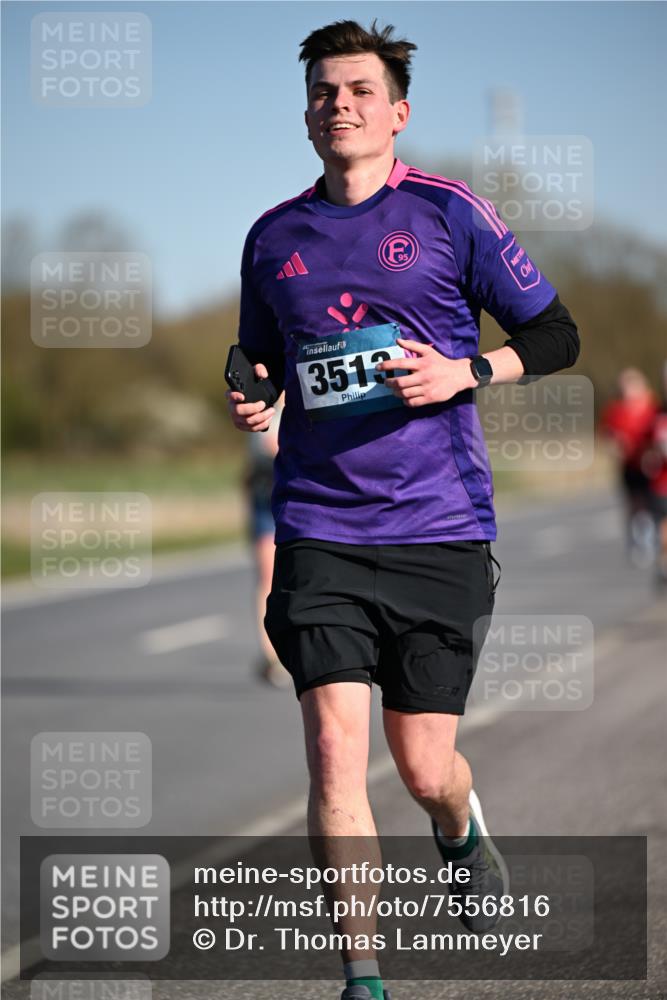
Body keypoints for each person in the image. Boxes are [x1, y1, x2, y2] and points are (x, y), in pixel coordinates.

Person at [227, 20, 579, 1000]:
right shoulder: (272, 238)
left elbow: (555, 331)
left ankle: (458, 825)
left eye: (358, 90)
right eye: (324, 92)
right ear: (307, 114)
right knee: (335, 750)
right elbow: (257, 355)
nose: (339, 104)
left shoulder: (449, 213)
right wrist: (252, 386)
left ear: (397, 112)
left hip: (438, 530)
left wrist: (467, 369)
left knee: (423, 765)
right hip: (318, 529)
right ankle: (364, 977)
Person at [245, 397, 291, 686]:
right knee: (267, 577)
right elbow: (262, 449)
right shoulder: (262, 400)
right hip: (266, 497)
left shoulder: (309, 392)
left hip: (302, 496)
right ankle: (271, 656)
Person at [600, 368, 658, 564]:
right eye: (624, 386)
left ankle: (649, 539)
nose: (628, 391)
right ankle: (638, 540)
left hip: (651, 465)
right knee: (634, 503)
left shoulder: (653, 406)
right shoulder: (616, 411)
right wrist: (616, 445)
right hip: (629, 464)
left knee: (651, 503)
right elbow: (608, 436)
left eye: (631, 385)